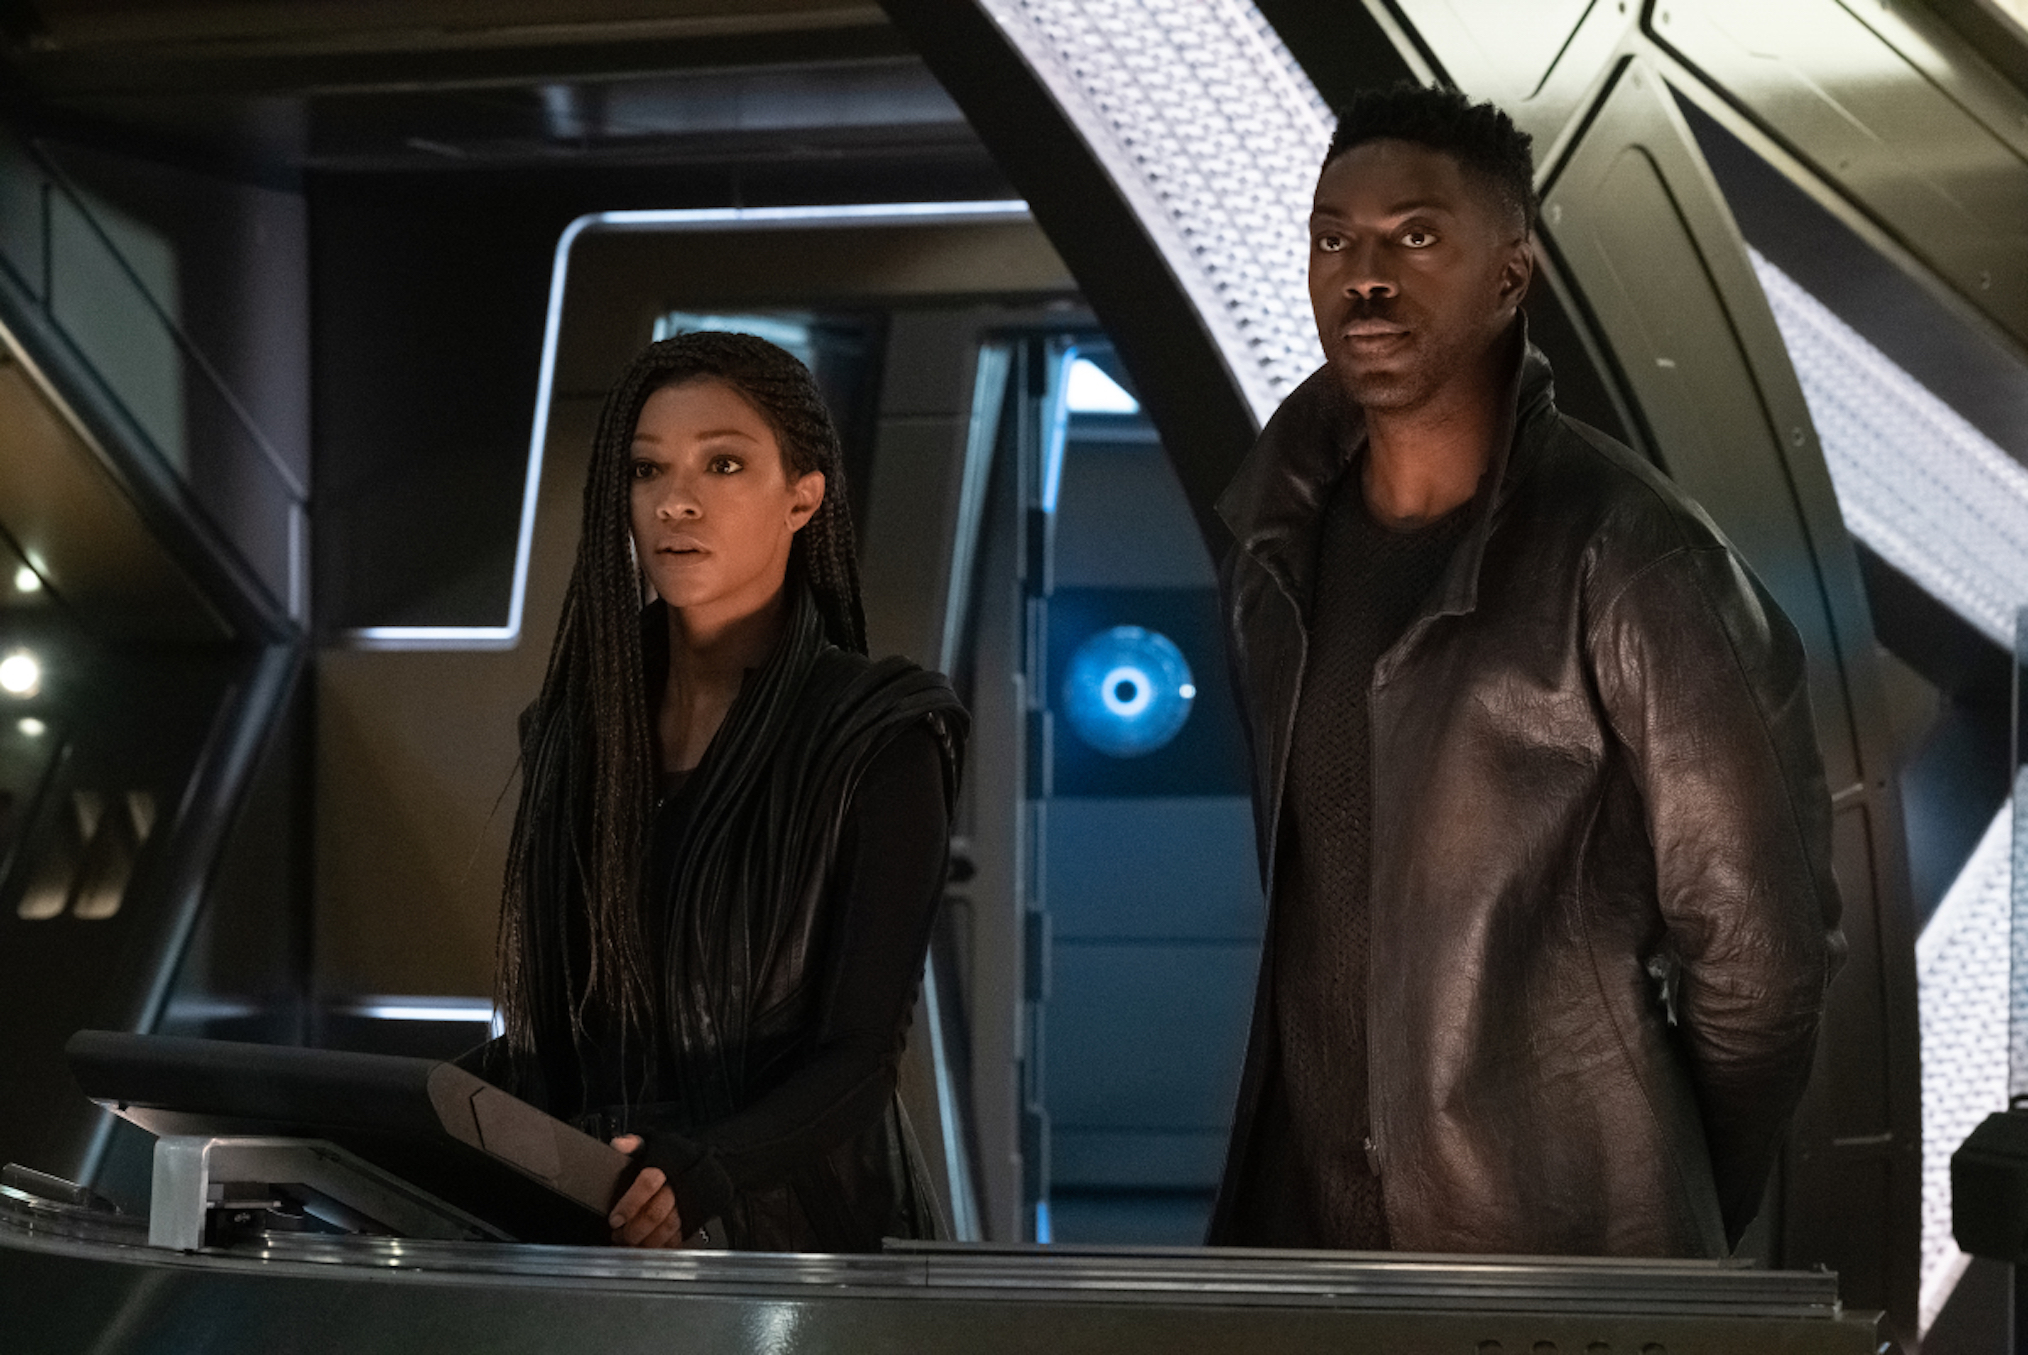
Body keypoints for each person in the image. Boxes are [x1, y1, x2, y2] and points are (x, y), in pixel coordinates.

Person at [1206, 84, 1844, 1258]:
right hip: (1301, 1251)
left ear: (1511, 274)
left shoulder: (1631, 555)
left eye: (1415, 237)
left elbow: (1763, 959)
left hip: (1549, 1256)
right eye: (1334, 240)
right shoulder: (1275, 544)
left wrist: (1654, 1197)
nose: (1365, 278)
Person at [476, 331, 966, 1252]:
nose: (677, 500)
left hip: (805, 1252)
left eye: (724, 463)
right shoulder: (572, 734)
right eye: (647, 469)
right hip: (594, 1237)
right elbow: (562, 1039)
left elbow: (860, 1057)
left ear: (803, 498)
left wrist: (707, 1167)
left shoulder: (881, 733)